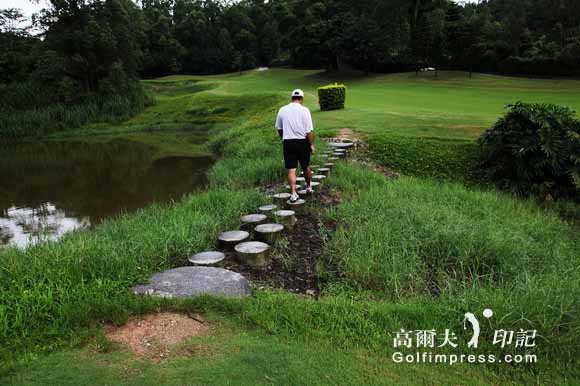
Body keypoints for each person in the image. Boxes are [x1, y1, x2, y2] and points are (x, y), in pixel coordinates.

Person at [275, 89, 315, 202]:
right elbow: (309, 131)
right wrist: (311, 144)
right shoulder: (305, 110)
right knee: (306, 166)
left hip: (288, 142)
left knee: (291, 169)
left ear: (292, 98)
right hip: (302, 142)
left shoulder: (282, 110)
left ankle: (293, 193)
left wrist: (283, 138)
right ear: (302, 99)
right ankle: (309, 187)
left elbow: (279, 128)